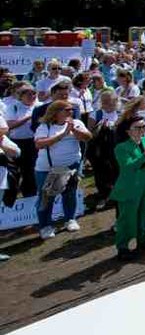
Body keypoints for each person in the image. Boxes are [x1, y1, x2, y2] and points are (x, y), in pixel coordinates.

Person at [33, 100, 92, 240]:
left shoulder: (76, 123)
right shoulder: (45, 127)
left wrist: (74, 131)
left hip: (72, 166)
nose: (70, 112)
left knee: (70, 193)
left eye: (71, 109)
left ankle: (70, 219)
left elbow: (88, 137)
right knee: (46, 198)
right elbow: (39, 144)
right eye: (67, 110)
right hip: (48, 169)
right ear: (56, 112)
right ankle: (45, 226)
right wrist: (63, 134)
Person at [110, 114, 145, 260]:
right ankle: (123, 246)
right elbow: (128, 166)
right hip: (130, 185)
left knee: (143, 213)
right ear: (128, 131)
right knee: (127, 216)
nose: (141, 130)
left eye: (144, 127)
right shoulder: (121, 147)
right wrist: (144, 156)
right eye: (137, 127)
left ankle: (142, 240)